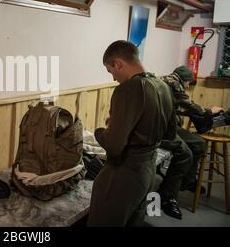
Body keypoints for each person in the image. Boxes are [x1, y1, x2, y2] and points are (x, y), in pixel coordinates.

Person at [87, 41, 176, 227]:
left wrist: (100, 132)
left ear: (118, 63)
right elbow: (170, 133)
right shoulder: (163, 86)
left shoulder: (128, 90)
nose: (113, 78)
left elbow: (113, 146)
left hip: (124, 172)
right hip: (149, 168)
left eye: (111, 71)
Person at [158, 65, 224, 219]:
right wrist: (208, 111)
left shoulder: (169, 82)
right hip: (161, 130)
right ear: (185, 80)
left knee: (198, 143)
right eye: (189, 83)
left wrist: (201, 113)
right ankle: (167, 197)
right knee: (185, 154)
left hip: (168, 125)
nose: (188, 86)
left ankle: (187, 182)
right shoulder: (172, 82)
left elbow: (180, 107)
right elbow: (187, 104)